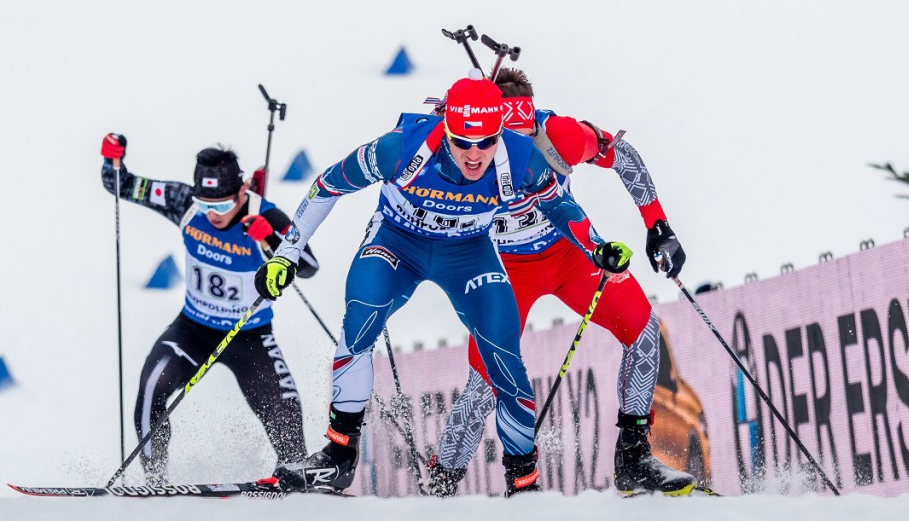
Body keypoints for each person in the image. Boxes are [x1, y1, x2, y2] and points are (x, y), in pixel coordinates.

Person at [251, 71, 633, 497]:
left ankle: (523, 484)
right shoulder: (401, 148)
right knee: (363, 314)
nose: (475, 156)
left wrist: (597, 248)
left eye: (486, 142)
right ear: (446, 129)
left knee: (502, 355)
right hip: (398, 243)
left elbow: (559, 205)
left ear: (499, 134)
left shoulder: (521, 157)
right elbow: (327, 186)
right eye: (462, 143)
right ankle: (339, 458)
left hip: (466, 253)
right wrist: (285, 254)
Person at [426, 68, 696, 497]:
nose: (517, 151)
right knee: (484, 382)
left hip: (569, 254)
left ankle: (634, 459)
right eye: (504, 139)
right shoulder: (463, 146)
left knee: (643, 330)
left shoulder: (561, 135)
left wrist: (657, 225)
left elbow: (622, 155)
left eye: (525, 135)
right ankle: (440, 484)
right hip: (505, 269)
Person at [99, 135, 318, 484]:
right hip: (194, 329)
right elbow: (120, 185)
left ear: (242, 193)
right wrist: (113, 160)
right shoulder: (181, 201)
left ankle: (298, 483)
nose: (211, 215)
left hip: (250, 337)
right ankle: (154, 481)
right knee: (151, 389)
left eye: (220, 206)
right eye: (204, 206)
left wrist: (273, 240)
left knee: (285, 411)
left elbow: (308, 265)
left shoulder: (266, 214)